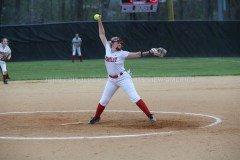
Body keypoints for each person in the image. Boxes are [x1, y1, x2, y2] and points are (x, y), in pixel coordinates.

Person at [89, 16, 166, 124]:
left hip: (123, 78)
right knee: (103, 100)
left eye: (121, 43)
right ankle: (96, 117)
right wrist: (99, 21)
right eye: (118, 42)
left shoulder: (122, 53)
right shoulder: (107, 47)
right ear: (113, 43)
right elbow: (101, 34)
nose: (120, 44)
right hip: (111, 80)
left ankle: (150, 115)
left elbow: (137, 54)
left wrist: (150, 52)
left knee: (134, 97)